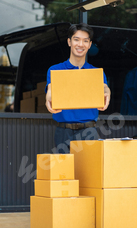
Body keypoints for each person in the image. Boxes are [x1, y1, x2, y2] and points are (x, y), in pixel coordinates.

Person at [45, 23, 111, 153]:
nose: (80, 44)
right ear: (69, 42)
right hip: (63, 132)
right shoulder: (55, 70)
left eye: (85, 41)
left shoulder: (95, 72)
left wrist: (107, 94)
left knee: (89, 173)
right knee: (65, 173)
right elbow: (50, 90)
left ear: (89, 45)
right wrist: (49, 99)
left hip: (89, 132)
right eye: (76, 39)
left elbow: (104, 88)